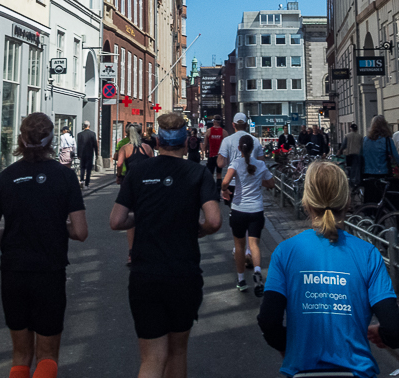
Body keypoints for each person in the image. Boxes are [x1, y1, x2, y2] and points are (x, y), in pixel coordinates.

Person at [257, 160, 399, 378]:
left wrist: (289, 346)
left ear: (306, 201)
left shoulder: (285, 252)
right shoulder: (368, 254)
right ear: (346, 201)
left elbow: (268, 320)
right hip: (356, 372)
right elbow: (394, 329)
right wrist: (384, 334)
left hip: (302, 371)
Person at [110, 112, 221, 378]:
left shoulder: (138, 172)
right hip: (183, 272)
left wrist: (146, 217)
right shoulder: (198, 173)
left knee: (151, 357)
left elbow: (116, 221)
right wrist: (196, 230)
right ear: (186, 143)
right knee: (177, 352)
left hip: (145, 273)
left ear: (158, 141)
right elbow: (214, 221)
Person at [0, 113, 89, 378]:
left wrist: (18, 229)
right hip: (49, 273)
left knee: (20, 357)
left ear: (20, 138)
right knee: (47, 356)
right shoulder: (65, 177)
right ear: (51, 141)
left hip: (14, 274)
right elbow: (80, 231)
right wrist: (50, 225)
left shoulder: (5, 178)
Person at [222, 134, 275, 296]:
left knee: (239, 246)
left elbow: (225, 182)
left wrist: (224, 190)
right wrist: (259, 181)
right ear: (253, 149)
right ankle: (257, 271)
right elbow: (271, 184)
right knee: (254, 245)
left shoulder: (236, 163)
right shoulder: (260, 164)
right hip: (256, 211)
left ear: (240, 149)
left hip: (239, 210)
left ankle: (241, 280)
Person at [116, 123, 154, 265]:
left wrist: (119, 176)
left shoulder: (125, 148)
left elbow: (119, 164)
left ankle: (132, 253)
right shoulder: (147, 148)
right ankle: (149, 249)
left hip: (130, 184)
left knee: (131, 217)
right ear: (140, 133)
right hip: (147, 184)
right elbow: (152, 164)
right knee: (147, 215)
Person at [361, 116, 399, 205]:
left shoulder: (365, 140)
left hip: (367, 174)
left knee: (370, 202)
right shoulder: (387, 140)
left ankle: (370, 216)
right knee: (384, 202)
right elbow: (396, 158)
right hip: (383, 174)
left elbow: (361, 155)